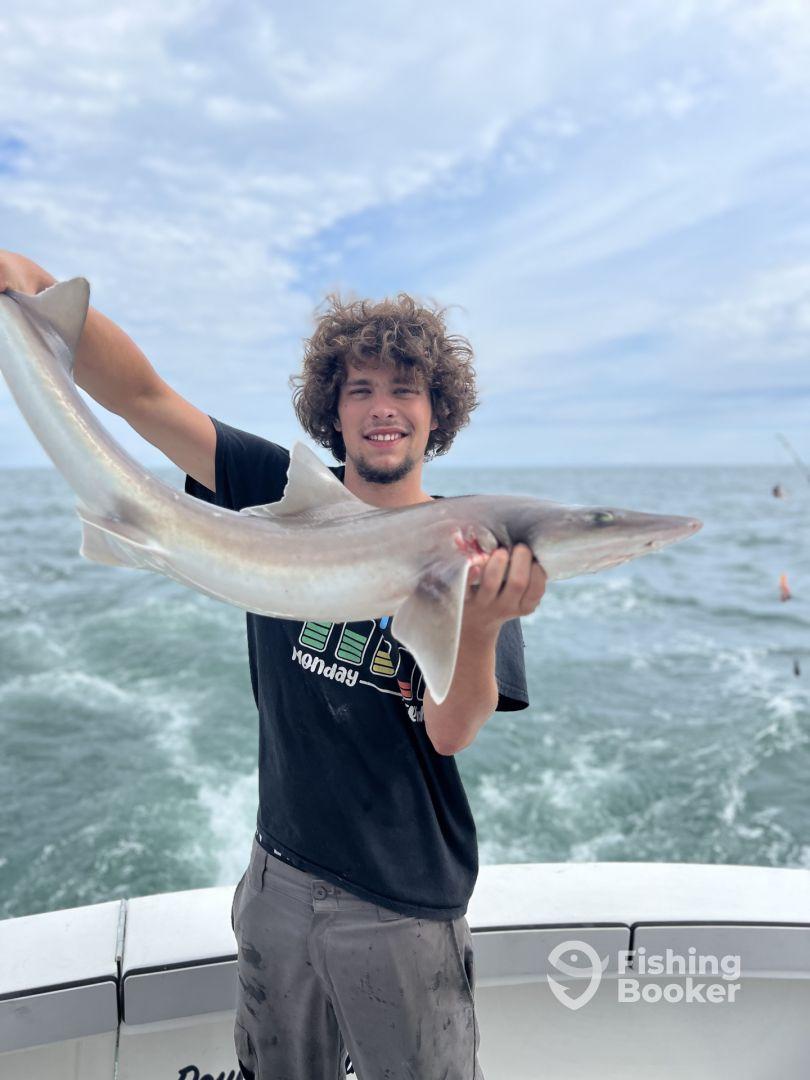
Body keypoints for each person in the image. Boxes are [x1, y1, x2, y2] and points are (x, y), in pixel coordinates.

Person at [0, 251, 546, 1079]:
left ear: (438, 413)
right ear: (334, 410)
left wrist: (481, 625)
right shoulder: (275, 492)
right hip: (277, 881)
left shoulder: (474, 545)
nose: (382, 409)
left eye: (404, 389)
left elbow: (449, 731)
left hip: (403, 899)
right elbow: (142, 398)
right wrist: (34, 287)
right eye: (359, 390)